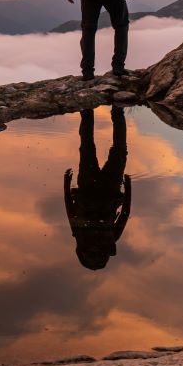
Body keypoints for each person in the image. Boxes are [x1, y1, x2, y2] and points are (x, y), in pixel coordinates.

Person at [63, 106, 131, 271]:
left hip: (109, 190)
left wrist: (128, 188)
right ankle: (88, 108)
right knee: (87, 146)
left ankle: (117, 109)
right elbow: (70, 211)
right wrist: (66, 185)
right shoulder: (79, 236)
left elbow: (125, 214)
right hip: (89, 188)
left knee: (118, 149)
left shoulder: (110, 240)